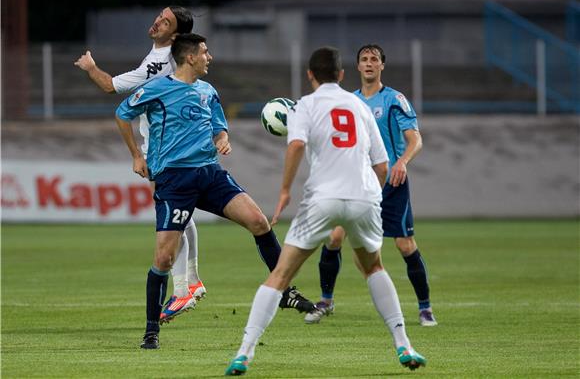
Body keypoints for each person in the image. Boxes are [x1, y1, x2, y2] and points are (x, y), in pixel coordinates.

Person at [226, 47, 426, 376]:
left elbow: (296, 145)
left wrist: (286, 190)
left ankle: (244, 353)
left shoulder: (306, 104)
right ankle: (404, 343)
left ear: (310, 75)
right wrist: (371, 197)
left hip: (323, 198)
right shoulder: (359, 106)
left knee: (280, 276)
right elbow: (381, 164)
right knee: (374, 268)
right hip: (363, 197)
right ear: (342, 74)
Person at [114, 33, 314, 350]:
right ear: (190, 57)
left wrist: (222, 139)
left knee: (259, 222)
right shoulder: (156, 89)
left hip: (210, 174)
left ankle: (285, 291)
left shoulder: (208, 91)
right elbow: (122, 113)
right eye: (205, 52)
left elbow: (219, 127)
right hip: (174, 181)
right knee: (164, 258)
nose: (210, 57)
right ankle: (151, 331)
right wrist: (137, 155)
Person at [74, 6, 205, 324]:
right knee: (180, 214)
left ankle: (185, 288)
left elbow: (110, 87)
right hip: (175, 144)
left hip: (165, 147)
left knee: (171, 217)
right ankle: (192, 281)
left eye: (166, 21)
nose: (158, 21)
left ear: (174, 35)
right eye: (160, 15)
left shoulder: (160, 63)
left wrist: (91, 67)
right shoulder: (163, 57)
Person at [304, 44, 437, 327]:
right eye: (363, 59)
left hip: (391, 183)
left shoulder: (394, 99)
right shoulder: (349, 101)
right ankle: (326, 301)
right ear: (357, 67)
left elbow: (415, 139)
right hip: (356, 185)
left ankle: (425, 308)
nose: (368, 63)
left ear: (381, 66)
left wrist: (401, 162)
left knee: (404, 245)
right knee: (334, 238)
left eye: (374, 59)